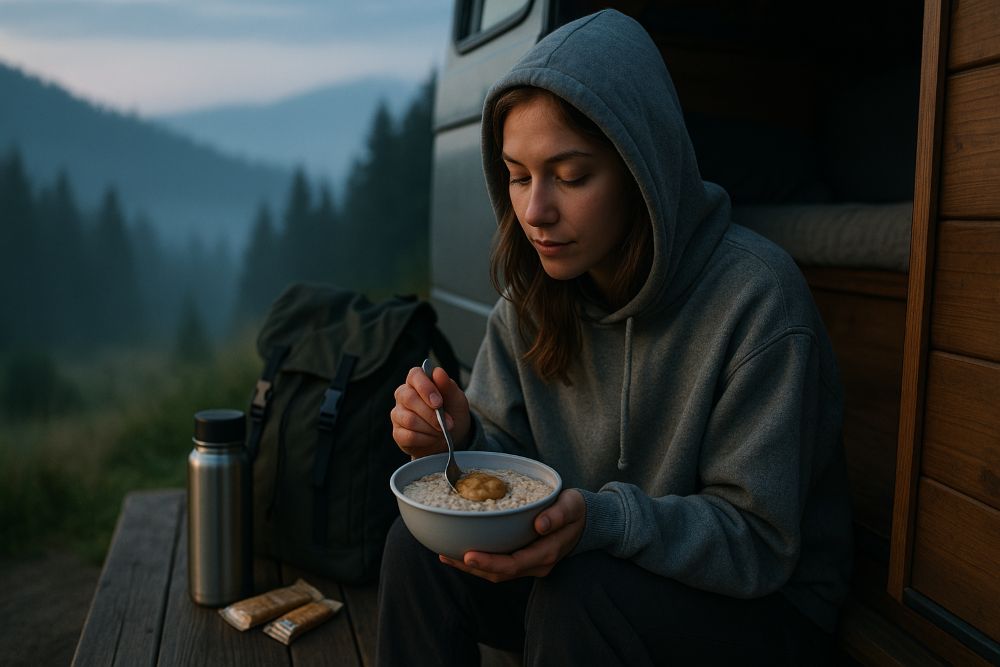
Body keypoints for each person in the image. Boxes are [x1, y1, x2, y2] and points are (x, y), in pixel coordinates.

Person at [378, 9, 853, 666]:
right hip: (593, 572)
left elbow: (758, 543)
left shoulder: (757, 298)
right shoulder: (532, 299)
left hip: (763, 609)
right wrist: (460, 440)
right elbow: (514, 470)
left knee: (578, 594)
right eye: (518, 175)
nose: (536, 211)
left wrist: (601, 521)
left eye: (570, 176)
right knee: (416, 550)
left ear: (642, 170)